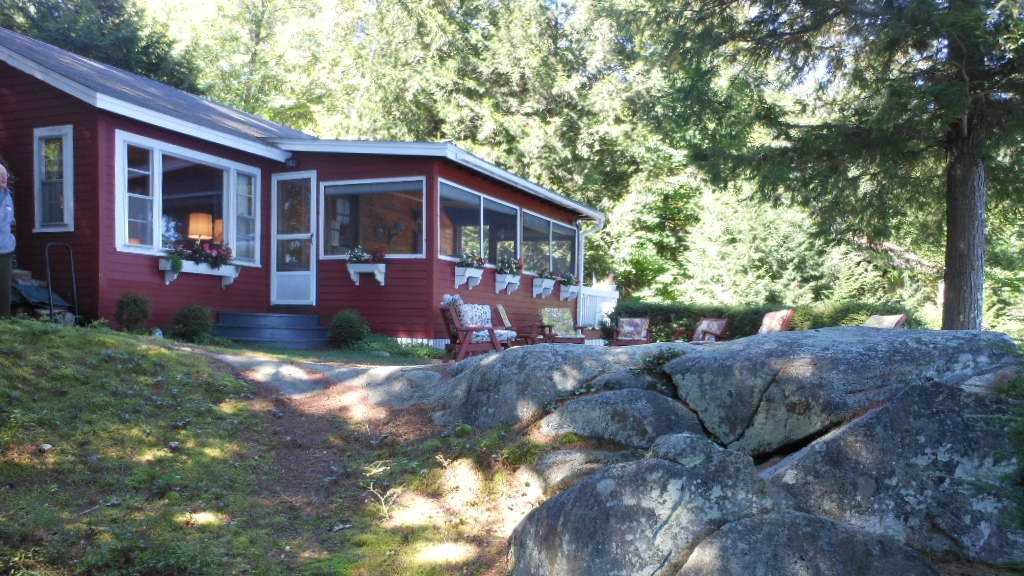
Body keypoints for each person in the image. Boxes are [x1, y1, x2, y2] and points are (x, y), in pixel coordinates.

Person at [0, 162, 13, 316]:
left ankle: (5, 325)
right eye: (1, 176)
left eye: (5, 176)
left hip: (6, 250)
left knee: (4, 292)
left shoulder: (7, 195)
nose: (4, 179)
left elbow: (7, 221)